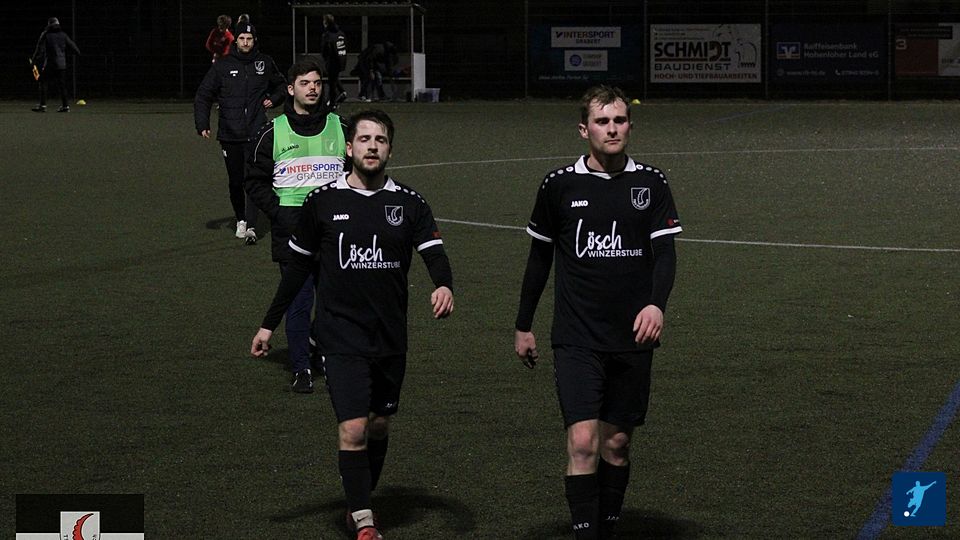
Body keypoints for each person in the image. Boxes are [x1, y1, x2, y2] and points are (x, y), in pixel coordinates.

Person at [250, 109, 454, 540]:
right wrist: (268, 325)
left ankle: (358, 498)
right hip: (339, 334)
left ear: (390, 149)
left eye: (380, 140)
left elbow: (434, 252)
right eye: (364, 139)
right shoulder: (322, 202)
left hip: (390, 336)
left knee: (378, 425)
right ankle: (364, 520)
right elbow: (297, 270)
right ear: (349, 147)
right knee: (354, 426)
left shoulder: (409, 203)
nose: (372, 146)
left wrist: (443, 285)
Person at [513, 85, 682, 540]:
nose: (612, 129)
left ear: (630, 125)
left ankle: (606, 526)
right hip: (576, 336)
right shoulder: (559, 185)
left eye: (619, 120)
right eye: (602, 122)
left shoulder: (651, 183)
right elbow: (539, 259)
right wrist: (523, 325)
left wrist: (656, 304)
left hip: (632, 336)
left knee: (617, 444)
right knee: (583, 442)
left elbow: (665, 256)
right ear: (583, 129)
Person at [244, 57, 348, 393]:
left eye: (317, 83)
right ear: (290, 89)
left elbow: (359, 173)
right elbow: (254, 181)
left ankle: (319, 348)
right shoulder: (272, 131)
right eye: (305, 83)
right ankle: (301, 367)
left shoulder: (341, 127)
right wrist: (279, 213)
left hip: (335, 232)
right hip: (292, 232)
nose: (312, 88)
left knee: (337, 303)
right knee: (299, 302)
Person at [194, 23, 286, 244]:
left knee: (253, 179)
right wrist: (202, 123)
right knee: (236, 182)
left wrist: (273, 99)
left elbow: (283, 86)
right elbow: (204, 93)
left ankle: (251, 225)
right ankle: (241, 219)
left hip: (256, 133)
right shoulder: (223, 65)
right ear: (236, 40)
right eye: (242, 38)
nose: (246, 42)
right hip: (230, 134)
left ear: (255, 41)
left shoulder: (265, 62)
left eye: (249, 38)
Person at [31, 17, 80, 113]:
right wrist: (63, 54)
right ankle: (65, 106)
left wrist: (34, 60)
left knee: (43, 82)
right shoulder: (63, 35)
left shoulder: (46, 34)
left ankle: (42, 105)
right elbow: (76, 50)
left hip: (50, 63)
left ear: (49, 25)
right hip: (61, 64)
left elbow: (39, 49)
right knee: (62, 85)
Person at [320, 13, 348, 108]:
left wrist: (325, 59)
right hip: (341, 60)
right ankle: (342, 92)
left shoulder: (327, 35)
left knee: (332, 83)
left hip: (332, 61)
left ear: (326, 22)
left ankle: (332, 103)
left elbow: (325, 50)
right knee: (334, 79)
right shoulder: (341, 33)